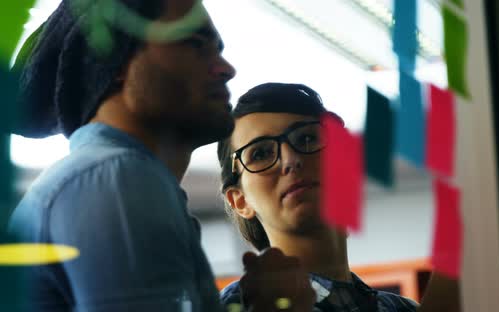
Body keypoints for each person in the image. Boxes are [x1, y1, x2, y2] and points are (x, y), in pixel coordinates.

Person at [7, 1, 312, 311]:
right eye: (195, 44)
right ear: (113, 61)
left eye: (217, 49)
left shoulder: (114, 178)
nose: (225, 69)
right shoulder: (118, 178)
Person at [217, 82, 419, 311]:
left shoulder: (401, 309)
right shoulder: (238, 306)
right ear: (240, 201)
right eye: (261, 153)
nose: (290, 160)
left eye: (306, 139)